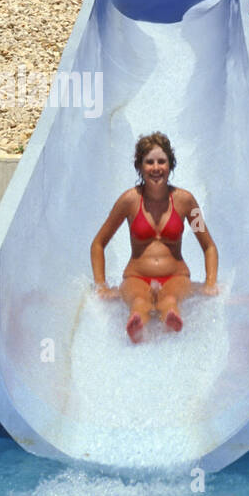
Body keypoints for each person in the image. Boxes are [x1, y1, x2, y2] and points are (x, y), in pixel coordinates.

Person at [90, 131, 218, 343]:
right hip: (136, 276)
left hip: (176, 275)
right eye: (149, 162)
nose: (156, 168)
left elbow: (209, 246)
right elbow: (98, 243)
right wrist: (101, 285)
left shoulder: (186, 201)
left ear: (171, 165)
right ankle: (137, 326)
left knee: (169, 300)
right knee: (139, 301)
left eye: (162, 161)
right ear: (140, 166)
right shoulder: (129, 201)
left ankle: (170, 322)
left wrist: (210, 282)